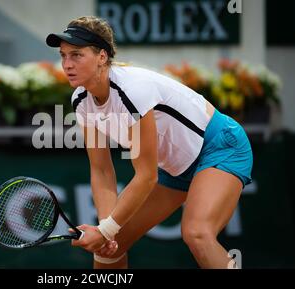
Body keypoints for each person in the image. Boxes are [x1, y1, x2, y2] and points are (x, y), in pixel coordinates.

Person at [45, 16, 253, 269]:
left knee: (197, 233)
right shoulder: (81, 101)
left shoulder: (132, 90)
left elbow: (146, 176)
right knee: (109, 248)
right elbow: (101, 170)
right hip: (175, 166)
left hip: (219, 147)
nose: (67, 64)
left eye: (76, 55)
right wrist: (106, 229)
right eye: (63, 55)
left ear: (102, 56)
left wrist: (106, 228)